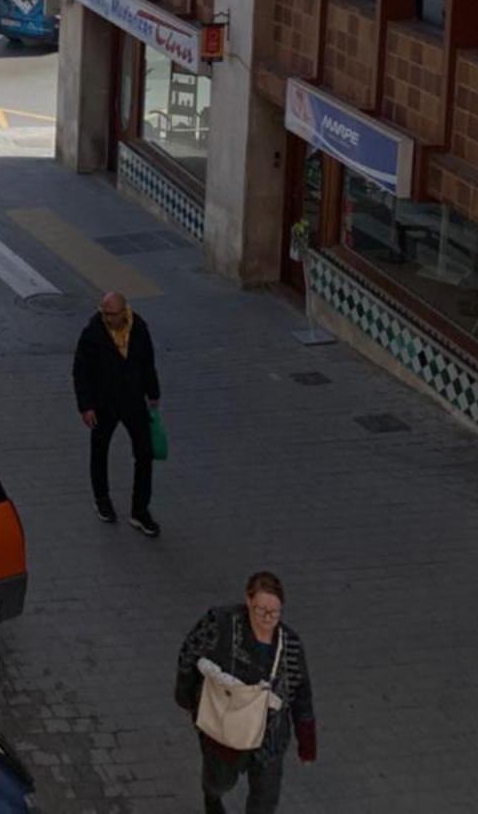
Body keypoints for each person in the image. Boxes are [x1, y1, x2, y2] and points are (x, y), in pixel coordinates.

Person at [175, 570, 317, 812]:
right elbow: (189, 654)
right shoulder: (220, 624)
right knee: (218, 783)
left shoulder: (290, 644)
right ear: (248, 601)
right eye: (261, 610)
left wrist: (307, 742)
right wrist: (186, 697)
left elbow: (301, 692)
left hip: (270, 739)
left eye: (275, 611)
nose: (268, 617)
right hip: (224, 731)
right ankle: (212, 799)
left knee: (264, 802)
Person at [71, 289, 161, 536]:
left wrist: (153, 393)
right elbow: (81, 371)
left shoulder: (139, 328)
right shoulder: (93, 333)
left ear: (124, 311)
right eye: (105, 313)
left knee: (144, 454)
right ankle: (102, 500)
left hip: (133, 401)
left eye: (112, 314)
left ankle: (140, 511)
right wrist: (86, 406)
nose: (108, 318)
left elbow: (147, 362)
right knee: (99, 451)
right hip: (104, 403)